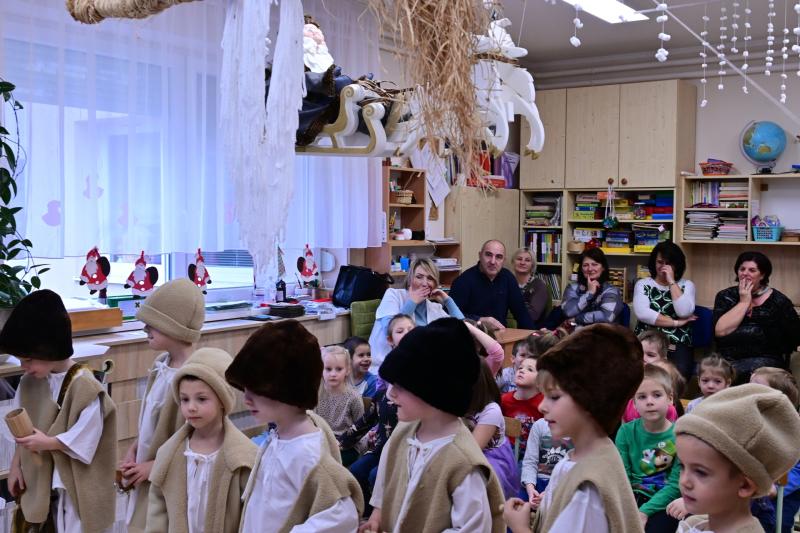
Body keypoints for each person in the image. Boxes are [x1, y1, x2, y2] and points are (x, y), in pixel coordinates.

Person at [359, 318, 505, 532]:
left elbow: (471, 528)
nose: (390, 393)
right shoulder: (403, 433)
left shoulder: (463, 463)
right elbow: (386, 481)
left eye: (401, 386)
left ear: (433, 393)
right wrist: (377, 518)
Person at [503, 324, 645, 533]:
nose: (542, 406)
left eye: (554, 397)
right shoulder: (582, 458)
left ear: (589, 400)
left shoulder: (587, 488)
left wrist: (520, 527)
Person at [226, 320, 363, 532]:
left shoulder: (308, 453)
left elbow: (344, 515)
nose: (246, 399)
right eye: (245, 389)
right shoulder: (278, 437)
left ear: (287, 391)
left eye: (256, 389)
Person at [1, 290, 117, 533]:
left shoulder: (84, 385)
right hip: (40, 481)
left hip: (72, 486)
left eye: (29, 359)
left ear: (50, 350)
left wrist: (49, 442)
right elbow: (21, 434)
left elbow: (87, 437)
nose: (24, 367)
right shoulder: (29, 383)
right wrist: (16, 467)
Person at [120, 278, 206, 531]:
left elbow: (196, 443)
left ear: (176, 328)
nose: (146, 327)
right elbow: (151, 421)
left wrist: (154, 466)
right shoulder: (162, 364)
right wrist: (135, 450)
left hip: (173, 481)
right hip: (149, 471)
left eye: (154, 323)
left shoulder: (194, 376)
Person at [146, 348, 258, 533]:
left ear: (222, 400)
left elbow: (251, 517)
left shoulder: (244, 459)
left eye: (201, 399)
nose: (191, 407)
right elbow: (157, 513)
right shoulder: (169, 454)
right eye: (184, 399)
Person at [673, 384, 800, 533]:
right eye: (682, 466)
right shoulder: (694, 522)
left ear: (745, 486)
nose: (684, 481)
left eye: (701, 472)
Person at [339, 314, 411, 511]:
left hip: (403, 453)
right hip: (381, 447)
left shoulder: (413, 400)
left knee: (374, 475)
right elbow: (366, 419)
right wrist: (342, 443)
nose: (393, 392)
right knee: (355, 471)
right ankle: (366, 514)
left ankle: (380, 515)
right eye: (400, 330)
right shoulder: (383, 394)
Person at [713, 251, 800, 384]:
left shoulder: (778, 301)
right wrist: (743, 302)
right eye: (742, 269)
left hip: (767, 360)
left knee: (749, 374)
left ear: (762, 275)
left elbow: (795, 335)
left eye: (752, 270)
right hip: (728, 359)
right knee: (721, 372)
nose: (745, 273)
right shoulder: (725, 296)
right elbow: (720, 331)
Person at [616, 364, 681, 533]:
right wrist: (632, 510)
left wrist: (644, 512)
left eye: (657, 395)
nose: (649, 401)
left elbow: (675, 485)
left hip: (663, 502)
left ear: (670, 399)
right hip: (630, 498)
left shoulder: (680, 436)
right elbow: (622, 477)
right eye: (642, 397)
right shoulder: (625, 432)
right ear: (634, 404)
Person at [368, 257, 464, 370]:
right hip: (385, 367)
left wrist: (448, 301)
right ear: (410, 279)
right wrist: (412, 302)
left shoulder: (434, 307)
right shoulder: (393, 295)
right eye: (419, 277)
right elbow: (392, 332)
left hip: (418, 368)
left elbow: (462, 331)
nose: (424, 283)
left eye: (430, 278)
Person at [633, 241, 697, 381]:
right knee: (637, 373)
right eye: (660, 262)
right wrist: (675, 323)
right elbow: (643, 313)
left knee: (678, 375)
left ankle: (672, 402)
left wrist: (671, 281)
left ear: (677, 264)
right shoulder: (643, 284)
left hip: (676, 341)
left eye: (669, 263)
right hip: (646, 339)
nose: (663, 267)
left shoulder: (687, 285)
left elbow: (684, 312)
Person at [749, 368, 800, 533]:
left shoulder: (795, 429)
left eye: (756, 387)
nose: (748, 391)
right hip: (752, 487)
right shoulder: (747, 419)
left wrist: (776, 488)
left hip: (783, 492)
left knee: (779, 524)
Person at [465, 359, 521, 499]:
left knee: (475, 481)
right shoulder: (462, 402)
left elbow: (473, 449)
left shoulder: (491, 410)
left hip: (492, 458)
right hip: (468, 454)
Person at [450, 239, 535, 330]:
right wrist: (479, 320)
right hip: (470, 336)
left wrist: (534, 335)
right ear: (480, 255)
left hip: (501, 336)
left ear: (504, 260)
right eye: (488, 255)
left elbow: (521, 314)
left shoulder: (508, 278)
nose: (493, 261)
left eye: (498, 257)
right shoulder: (463, 281)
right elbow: (450, 316)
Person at [561, 247, 623, 326]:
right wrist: (589, 293)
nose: (590, 269)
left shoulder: (611, 290)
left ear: (603, 267)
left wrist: (576, 319)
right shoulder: (572, 287)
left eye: (595, 264)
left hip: (602, 335)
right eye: (585, 265)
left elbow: (606, 317)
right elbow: (568, 312)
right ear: (581, 269)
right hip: (574, 334)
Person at [511, 248, 550, 325]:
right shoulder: (508, 282)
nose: (522, 262)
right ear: (513, 262)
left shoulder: (539, 285)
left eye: (527, 260)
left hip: (530, 331)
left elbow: (533, 315)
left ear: (532, 265)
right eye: (519, 259)